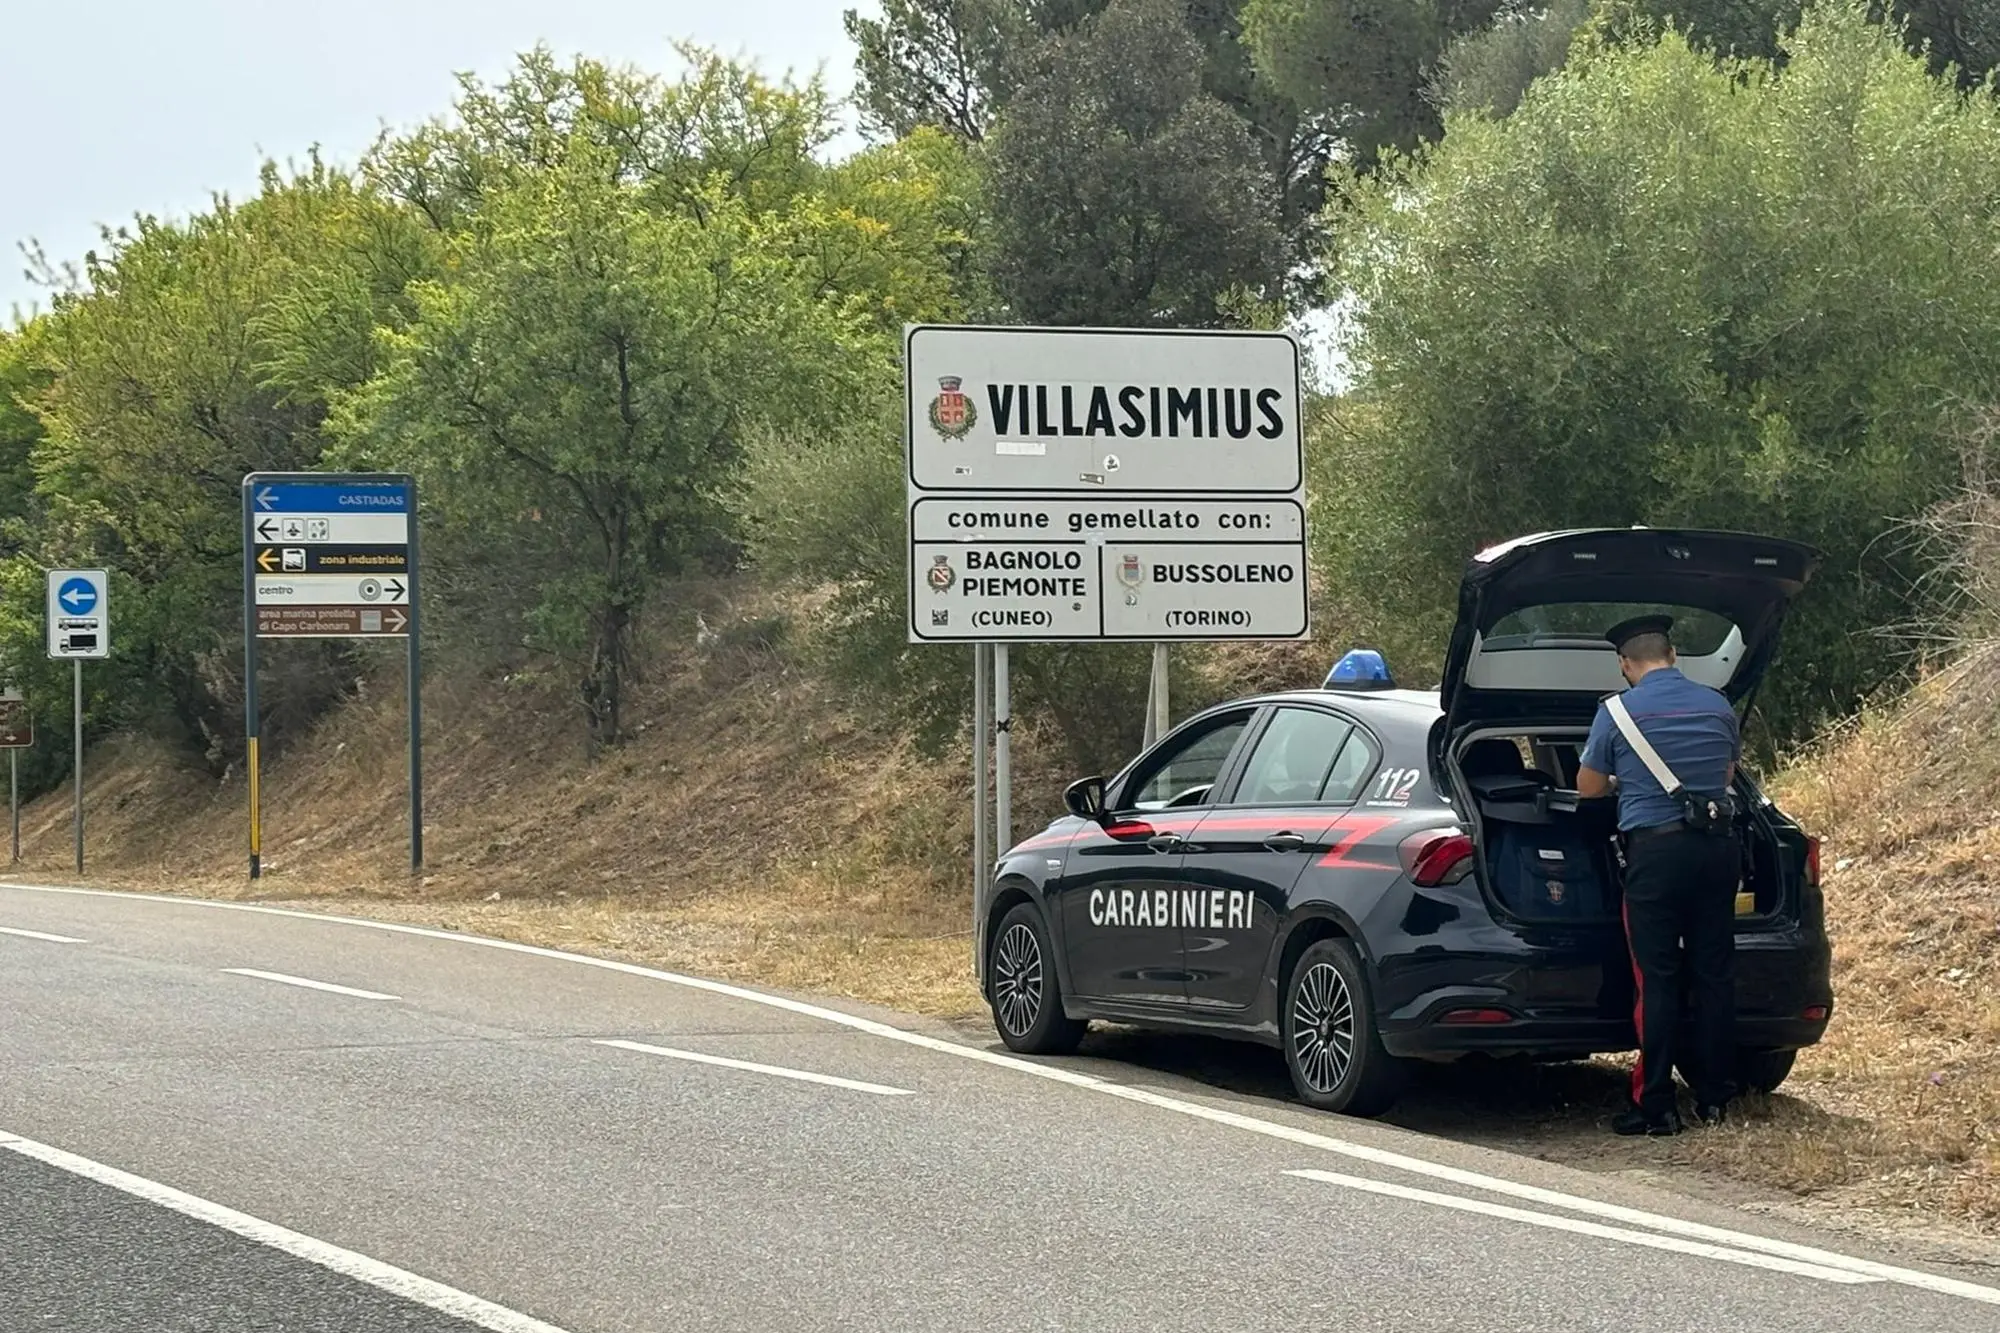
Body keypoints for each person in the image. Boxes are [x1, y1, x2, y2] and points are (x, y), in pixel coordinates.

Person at [1576, 614, 1743, 1137]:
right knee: (1714, 973)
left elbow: (1587, 787)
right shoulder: (1718, 706)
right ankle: (1716, 1099)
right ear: (1673, 656)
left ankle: (1657, 1105)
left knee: (1659, 978)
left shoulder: (1616, 713)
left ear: (1626, 665)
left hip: (1656, 855)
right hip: (1719, 851)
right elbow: (1726, 775)